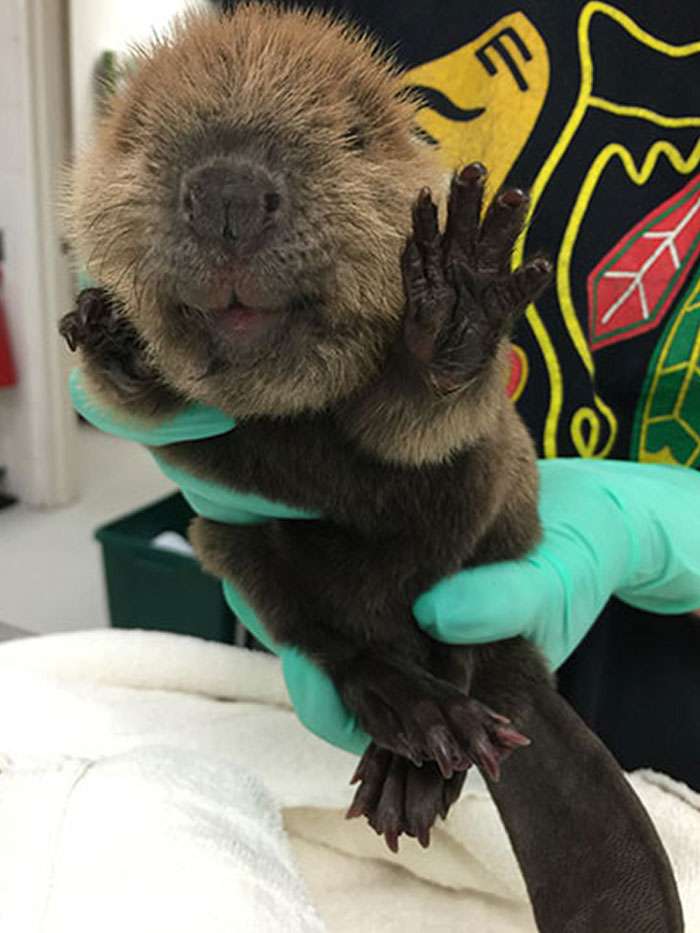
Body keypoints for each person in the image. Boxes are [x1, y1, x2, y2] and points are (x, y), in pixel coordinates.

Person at [72, 0, 700, 789]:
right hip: (303, 660)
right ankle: (380, 686)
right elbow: (168, 402)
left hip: (659, 692)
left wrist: (665, 527)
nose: (228, 213)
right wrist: (126, 358)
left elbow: (415, 429)